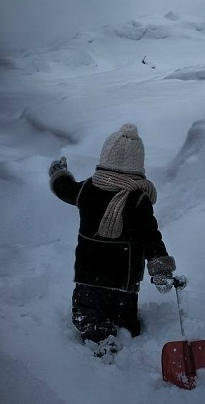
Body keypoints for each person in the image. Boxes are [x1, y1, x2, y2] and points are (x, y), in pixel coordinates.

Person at [49, 123, 177, 359]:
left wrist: (59, 173)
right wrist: (161, 268)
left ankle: (97, 340)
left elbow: (64, 189)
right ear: (138, 164)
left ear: (105, 157)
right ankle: (124, 341)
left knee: (89, 314)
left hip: (89, 277)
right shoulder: (138, 199)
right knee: (125, 319)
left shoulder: (88, 188)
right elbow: (151, 237)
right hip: (123, 280)